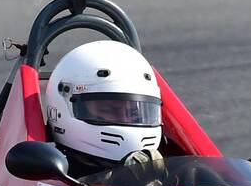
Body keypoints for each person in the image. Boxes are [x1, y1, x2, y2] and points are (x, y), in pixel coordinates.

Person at [43, 40, 165, 178]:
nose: (125, 120)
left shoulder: (162, 168)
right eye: (108, 110)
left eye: (134, 113)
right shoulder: (47, 174)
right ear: (58, 110)